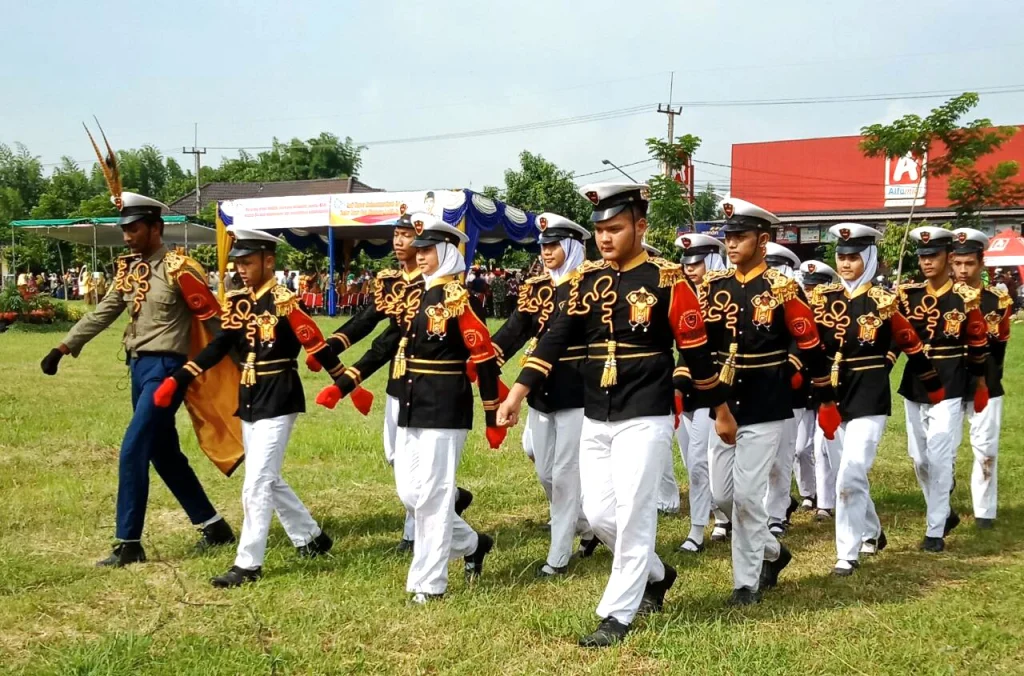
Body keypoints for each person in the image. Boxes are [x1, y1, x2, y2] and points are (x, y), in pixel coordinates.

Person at [498, 182, 732, 647]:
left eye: (615, 228)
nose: (605, 238)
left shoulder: (667, 279)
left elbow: (697, 351)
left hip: (645, 412)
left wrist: (720, 409)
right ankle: (659, 575)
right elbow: (554, 338)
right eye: (599, 230)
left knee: (633, 514)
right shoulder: (584, 280)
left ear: (640, 227)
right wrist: (517, 393)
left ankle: (616, 615)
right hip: (595, 411)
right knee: (600, 513)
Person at [39, 190, 239, 567]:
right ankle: (214, 527)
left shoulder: (182, 269)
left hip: (166, 371)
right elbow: (105, 311)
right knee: (163, 453)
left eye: (134, 229)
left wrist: (246, 364)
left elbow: (213, 319)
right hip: (137, 368)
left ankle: (129, 541)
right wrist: (64, 347)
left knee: (133, 448)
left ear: (155, 228)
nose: (128, 236)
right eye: (125, 229)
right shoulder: (130, 270)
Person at [321, 213, 503, 604]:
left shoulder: (460, 298)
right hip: (409, 400)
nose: (419, 256)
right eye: (417, 249)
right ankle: (472, 543)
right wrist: (345, 382)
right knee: (410, 493)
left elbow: (484, 356)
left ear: (446, 252)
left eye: (428, 249)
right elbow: (387, 344)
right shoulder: (411, 294)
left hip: (445, 404)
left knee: (435, 497)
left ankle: (429, 583)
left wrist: (492, 414)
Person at [153, 229, 342, 587]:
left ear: (268, 262)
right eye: (237, 262)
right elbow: (220, 344)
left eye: (248, 262)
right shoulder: (239, 301)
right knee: (265, 476)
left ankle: (248, 564)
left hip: (280, 393)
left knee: (256, 483)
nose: (241, 269)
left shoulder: (284, 300)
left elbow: (313, 339)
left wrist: (342, 379)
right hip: (250, 397)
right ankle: (311, 537)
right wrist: (180, 377)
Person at [700, 198, 839, 606]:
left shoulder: (782, 288)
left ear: (763, 241)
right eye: (728, 236)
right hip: (724, 403)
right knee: (722, 495)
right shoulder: (715, 286)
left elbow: (810, 344)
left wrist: (825, 398)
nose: (731, 243)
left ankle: (746, 583)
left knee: (745, 496)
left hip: (766, 401)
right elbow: (699, 345)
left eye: (740, 236)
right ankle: (774, 553)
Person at [313, 213, 472, 553]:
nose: (400, 242)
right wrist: (331, 348)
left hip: (429, 384)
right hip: (399, 381)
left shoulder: (439, 287)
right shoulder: (391, 282)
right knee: (394, 456)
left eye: (407, 236)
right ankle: (453, 503)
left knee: (416, 465)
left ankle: (414, 531)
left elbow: (386, 342)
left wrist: (348, 380)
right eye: (396, 235)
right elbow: (366, 320)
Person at [817, 224, 943, 576]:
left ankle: (847, 552)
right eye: (841, 256)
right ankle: (872, 531)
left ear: (869, 259)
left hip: (870, 396)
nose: (845, 263)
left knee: (851, 472)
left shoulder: (885, 304)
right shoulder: (822, 300)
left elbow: (910, 344)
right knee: (847, 472)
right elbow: (806, 345)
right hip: (830, 397)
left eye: (854, 257)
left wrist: (934, 387)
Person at [491, 213, 598, 577]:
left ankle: (558, 555)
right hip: (541, 389)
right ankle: (586, 527)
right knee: (543, 469)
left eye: (554, 244)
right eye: (543, 245)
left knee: (565, 471)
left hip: (575, 387)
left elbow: (560, 340)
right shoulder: (538, 287)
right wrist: (486, 356)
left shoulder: (589, 283)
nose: (547, 251)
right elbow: (515, 328)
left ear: (571, 246)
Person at [898, 226, 989, 552]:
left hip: (950, 380)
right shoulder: (907, 297)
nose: (926, 262)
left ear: (949, 258)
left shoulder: (966, 298)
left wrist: (979, 384)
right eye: (922, 256)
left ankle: (934, 529)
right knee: (919, 458)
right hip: (914, 382)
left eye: (933, 256)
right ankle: (945, 512)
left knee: (938, 455)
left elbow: (978, 343)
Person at [663, 233, 732, 553]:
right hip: (689, 389)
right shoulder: (681, 295)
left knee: (706, 463)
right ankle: (716, 517)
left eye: (698, 263)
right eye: (687, 264)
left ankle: (702, 527)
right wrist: (677, 385)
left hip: (719, 387)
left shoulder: (725, 296)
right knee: (693, 462)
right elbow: (683, 348)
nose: (691, 269)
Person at [950, 228, 1012, 530]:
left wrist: (991, 381)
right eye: (958, 263)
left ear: (981, 264)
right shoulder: (940, 299)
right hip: (947, 381)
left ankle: (984, 511)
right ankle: (940, 506)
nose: (962, 270)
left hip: (985, 383)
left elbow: (999, 347)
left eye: (969, 264)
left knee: (986, 448)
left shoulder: (997, 301)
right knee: (939, 450)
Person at [763, 243, 806, 537]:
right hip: (755, 386)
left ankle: (775, 515)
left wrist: (790, 367)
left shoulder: (793, 294)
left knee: (781, 455)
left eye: (777, 266)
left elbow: (804, 338)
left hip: (789, 386)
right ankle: (774, 504)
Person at [796, 260, 840, 522]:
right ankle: (808, 492)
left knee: (824, 447)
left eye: (817, 288)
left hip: (828, 387)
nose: (812, 293)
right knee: (801, 448)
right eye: (808, 287)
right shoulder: (800, 313)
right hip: (804, 389)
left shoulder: (836, 315)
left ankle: (825, 502)